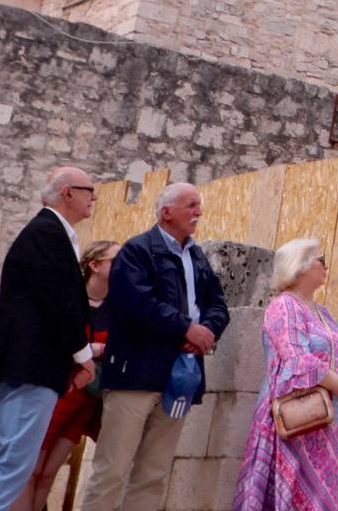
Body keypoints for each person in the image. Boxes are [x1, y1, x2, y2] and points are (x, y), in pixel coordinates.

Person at [82, 182, 228, 511]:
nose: (199, 212)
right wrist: (186, 329)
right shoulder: (136, 251)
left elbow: (218, 304)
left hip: (179, 377)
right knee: (112, 470)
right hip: (135, 374)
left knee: (154, 473)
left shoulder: (197, 256)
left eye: (198, 205)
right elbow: (136, 305)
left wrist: (207, 331)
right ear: (166, 213)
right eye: (191, 205)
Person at [231, 240, 338, 511]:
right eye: (319, 259)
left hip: (326, 422)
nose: (326, 265)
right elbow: (298, 359)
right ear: (298, 267)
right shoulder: (283, 306)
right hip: (297, 418)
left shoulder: (322, 312)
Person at [0, 169, 96, 507]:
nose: (94, 198)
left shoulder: (48, 232)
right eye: (89, 190)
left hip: (26, 364)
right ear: (67, 193)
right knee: (14, 460)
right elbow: (59, 301)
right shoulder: (47, 233)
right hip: (32, 366)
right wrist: (83, 357)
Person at [17, 239, 116, 511]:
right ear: (95, 265)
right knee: (31, 469)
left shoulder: (117, 308)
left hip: (88, 399)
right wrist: (92, 349)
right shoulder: (70, 299)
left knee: (49, 472)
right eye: (115, 260)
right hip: (61, 390)